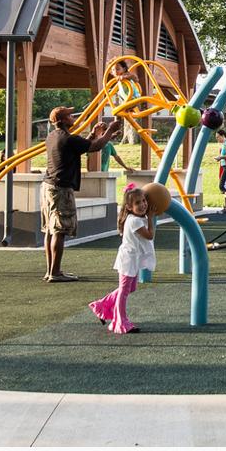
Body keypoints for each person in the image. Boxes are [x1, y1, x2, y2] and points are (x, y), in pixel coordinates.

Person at [41, 105, 124, 283]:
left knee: (50, 229)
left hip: (48, 187)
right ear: (63, 121)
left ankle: (51, 271)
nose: (73, 117)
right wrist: (110, 130)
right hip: (61, 189)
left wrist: (94, 134)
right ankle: (55, 273)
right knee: (59, 230)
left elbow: (83, 146)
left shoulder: (53, 136)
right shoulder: (68, 138)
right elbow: (96, 147)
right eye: (70, 115)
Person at [90, 185, 154, 334]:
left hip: (133, 259)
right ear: (129, 207)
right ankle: (121, 322)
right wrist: (151, 218)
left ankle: (101, 306)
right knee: (124, 291)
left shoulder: (135, 218)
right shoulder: (135, 221)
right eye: (138, 203)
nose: (143, 204)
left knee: (131, 288)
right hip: (128, 260)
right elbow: (150, 235)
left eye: (144, 200)